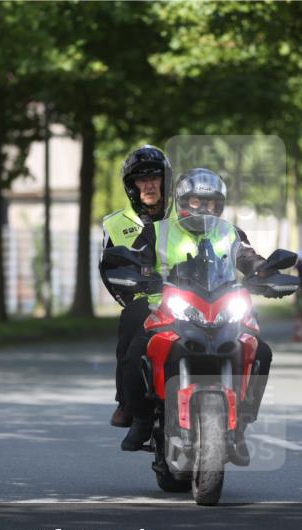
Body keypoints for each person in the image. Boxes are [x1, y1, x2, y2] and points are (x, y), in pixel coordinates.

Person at [118, 168, 273, 466]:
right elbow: (136, 257)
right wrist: (138, 273)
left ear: (220, 205)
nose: (204, 209)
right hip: (165, 308)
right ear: (180, 201)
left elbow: (250, 257)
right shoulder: (157, 231)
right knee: (135, 352)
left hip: (222, 308)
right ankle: (140, 418)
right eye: (196, 201)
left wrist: (266, 272)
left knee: (261, 351)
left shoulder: (230, 232)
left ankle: (240, 425)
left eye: (211, 203)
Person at [98, 145, 175, 428]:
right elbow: (108, 267)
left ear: (166, 180)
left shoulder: (185, 214)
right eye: (141, 179)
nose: (149, 184)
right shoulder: (115, 223)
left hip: (190, 294)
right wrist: (129, 294)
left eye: (155, 177)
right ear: (131, 185)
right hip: (147, 297)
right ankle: (127, 403)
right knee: (130, 321)